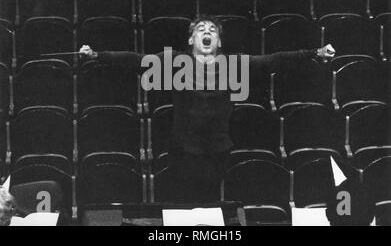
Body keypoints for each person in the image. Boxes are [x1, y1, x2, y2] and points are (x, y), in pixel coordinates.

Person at [80, 15, 336, 203]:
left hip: (217, 150)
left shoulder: (233, 64)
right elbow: (136, 60)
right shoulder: (175, 61)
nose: (207, 32)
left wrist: (313, 52)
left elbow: (273, 61)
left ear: (218, 41)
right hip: (182, 150)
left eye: (212, 30)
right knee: (184, 206)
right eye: (201, 29)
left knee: (211, 206)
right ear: (191, 39)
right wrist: (97, 55)